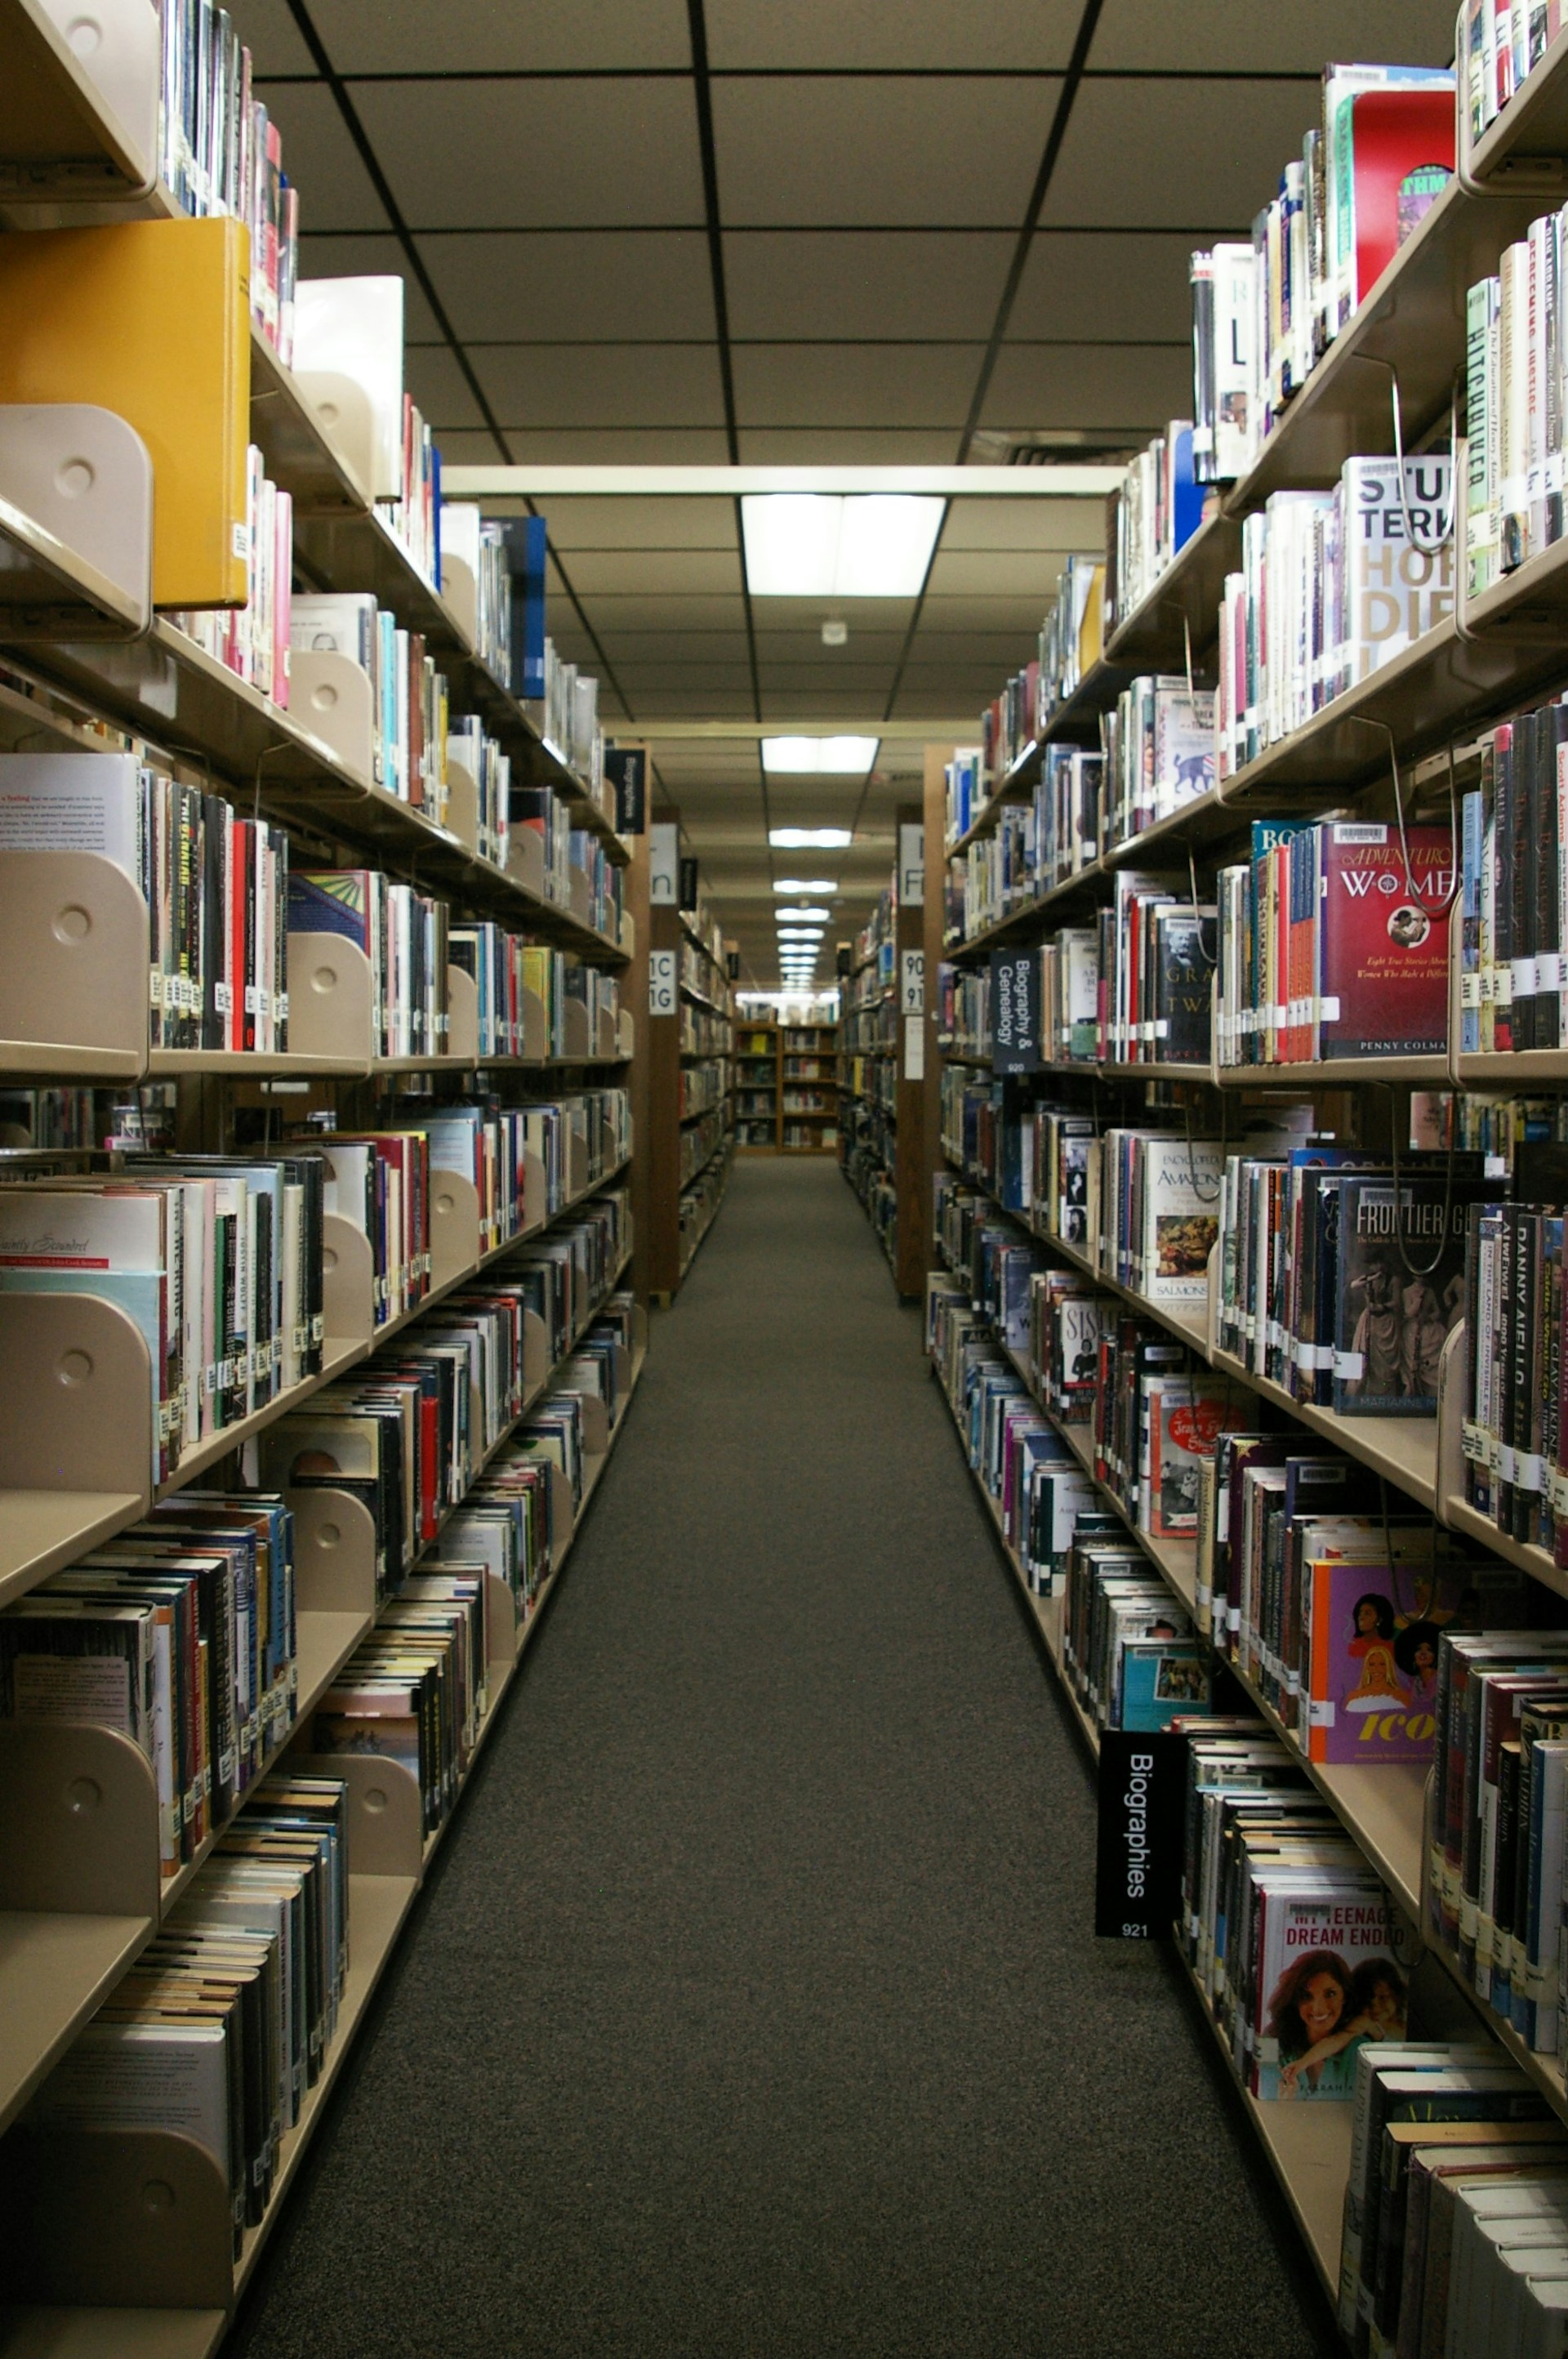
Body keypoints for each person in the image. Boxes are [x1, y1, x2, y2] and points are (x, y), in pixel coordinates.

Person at [1276, 1960, 1407, 2097]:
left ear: (1396, 1994)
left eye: (1383, 1997)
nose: (1375, 2006)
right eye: (1367, 2000)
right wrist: (1303, 2063)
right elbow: (1334, 2042)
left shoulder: (1405, 2023)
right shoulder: (1364, 2023)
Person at [1267, 1951, 1351, 2098]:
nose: (1318, 2009)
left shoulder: (1357, 2049)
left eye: (1330, 1994)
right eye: (1307, 1996)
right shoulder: (1271, 2041)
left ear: (1345, 1995)